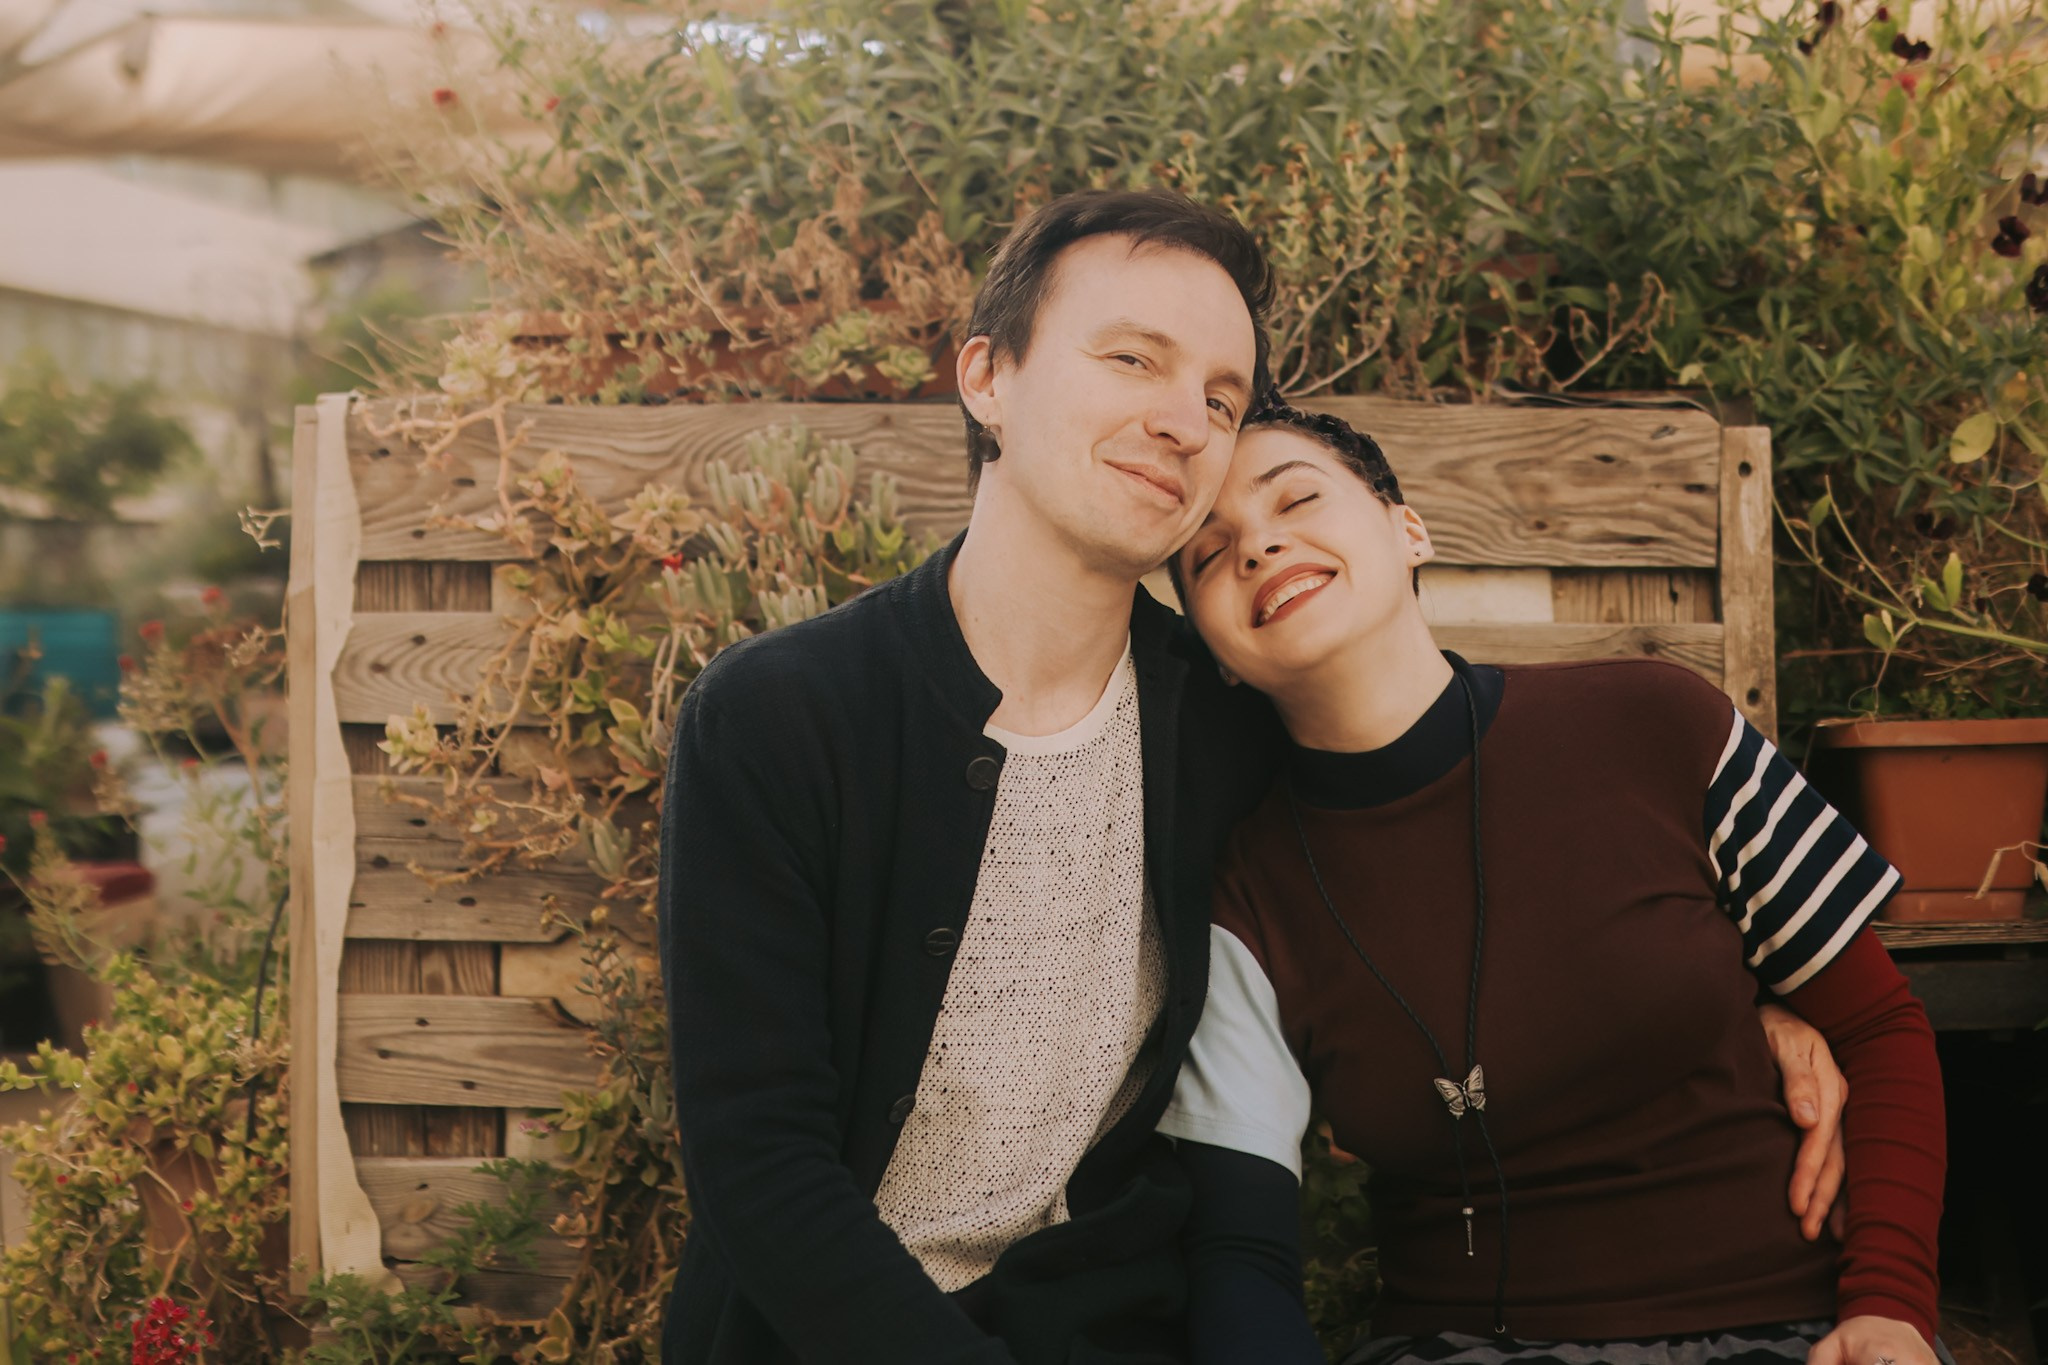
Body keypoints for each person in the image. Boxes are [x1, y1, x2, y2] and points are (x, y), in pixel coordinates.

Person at [658, 189, 1855, 1365]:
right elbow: (759, 1165)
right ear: (986, 377)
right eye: (1133, 359)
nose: (1186, 422)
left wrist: (1747, 1001)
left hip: (1105, 1332)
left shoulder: (1224, 727)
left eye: (1220, 398)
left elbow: (1439, 843)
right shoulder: (778, 717)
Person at [1157, 400, 1947, 1365]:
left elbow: (1878, 1025)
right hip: (1465, 1346)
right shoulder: (1239, 893)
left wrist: (1889, 1304)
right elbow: (1241, 1250)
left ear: (1410, 530)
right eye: (1209, 553)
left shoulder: (1658, 724)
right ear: (1216, 656)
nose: (1257, 544)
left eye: (1297, 500)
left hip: (1792, 1329)